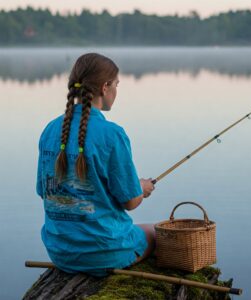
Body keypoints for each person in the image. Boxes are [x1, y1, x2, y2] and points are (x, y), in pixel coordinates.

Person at [36, 53, 155, 277]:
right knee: (157, 232)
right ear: (105, 86)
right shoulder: (112, 135)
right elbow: (130, 202)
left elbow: (44, 191)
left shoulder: (50, 130)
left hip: (59, 252)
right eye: (117, 84)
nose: (116, 91)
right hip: (104, 254)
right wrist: (141, 188)